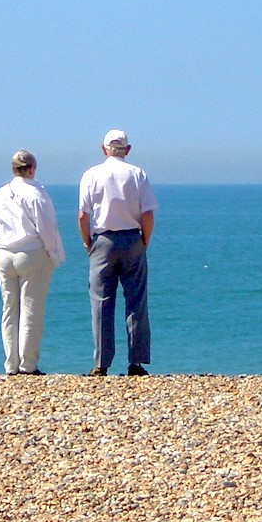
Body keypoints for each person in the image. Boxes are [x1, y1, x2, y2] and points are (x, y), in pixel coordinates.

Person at [78, 129, 158, 376]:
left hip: (103, 239)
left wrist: (87, 242)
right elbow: (148, 214)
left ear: (104, 149)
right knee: (136, 301)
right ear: (128, 149)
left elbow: (83, 215)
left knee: (101, 303)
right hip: (132, 238)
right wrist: (144, 240)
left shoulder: (91, 174)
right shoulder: (137, 174)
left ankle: (101, 364)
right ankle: (136, 362)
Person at [0, 150, 66, 376]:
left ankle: (10, 364)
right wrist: (53, 254)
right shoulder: (36, 194)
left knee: (9, 308)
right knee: (31, 308)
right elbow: (47, 228)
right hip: (31, 253)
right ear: (31, 169)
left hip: (4, 254)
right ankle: (28, 365)